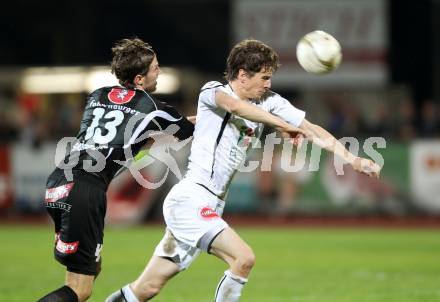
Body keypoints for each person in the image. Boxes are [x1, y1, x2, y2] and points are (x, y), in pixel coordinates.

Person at [106, 39, 381, 302]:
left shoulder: (270, 102)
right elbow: (237, 107)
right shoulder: (213, 91)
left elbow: (310, 129)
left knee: (147, 288)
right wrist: (281, 124)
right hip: (190, 199)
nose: (269, 84)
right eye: (264, 77)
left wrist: (353, 159)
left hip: (211, 203)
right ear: (242, 74)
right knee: (243, 258)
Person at [37, 38, 195, 302]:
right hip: (85, 191)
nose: (160, 71)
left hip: (58, 182)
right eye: (155, 68)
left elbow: (125, 137)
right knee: (81, 289)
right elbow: (189, 130)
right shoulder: (155, 109)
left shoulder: (96, 95)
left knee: (82, 275)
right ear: (140, 79)